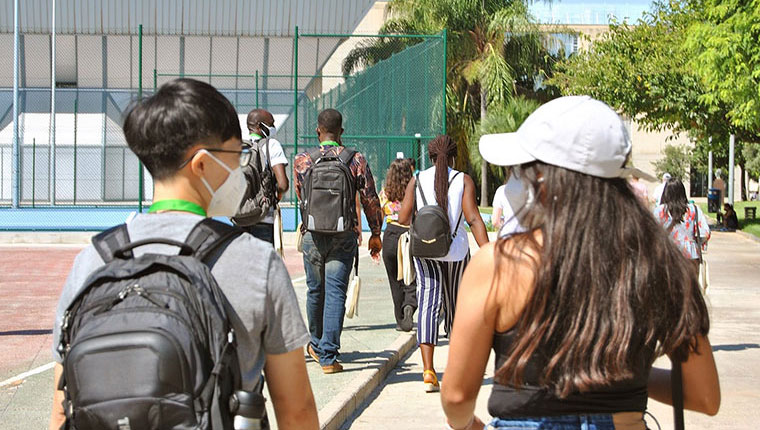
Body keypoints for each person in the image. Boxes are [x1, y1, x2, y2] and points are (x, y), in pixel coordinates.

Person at [48, 79, 319, 430]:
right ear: (202, 164)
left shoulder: (93, 261)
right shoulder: (255, 262)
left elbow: (62, 410)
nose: (239, 171)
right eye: (235, 157)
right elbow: (296, 410)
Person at [442, 96, 719, 430]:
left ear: (543, 180)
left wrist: (472, 426)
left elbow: (456, 397)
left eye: (521, 170)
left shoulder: (499, 263)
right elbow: (704, 395)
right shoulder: (659, 261)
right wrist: (624, 371)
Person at [293, 108, 383, 374]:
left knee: (314, 291)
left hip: (312, 234)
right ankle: (328, 357)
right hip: (343, 234)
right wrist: (375, 232)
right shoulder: (355, 159)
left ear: (317, 131)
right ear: (341, 131)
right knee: (335, 293)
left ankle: (316, 344)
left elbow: (301, 196)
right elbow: (369, 198)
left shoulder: (302, 160)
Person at [398, 135, 489, 392]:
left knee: (428, 305)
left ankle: (428, 371)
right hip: (456, 252)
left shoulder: (417, 180)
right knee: (458, 308)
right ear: (453, 157)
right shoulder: (463, 180)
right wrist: (489, 251)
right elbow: (473, 219)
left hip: (425, 252)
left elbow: (403, 217)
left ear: (430, 157)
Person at [240, 108, 290, 245]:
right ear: (259, 126)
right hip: (263, 218)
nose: (273, 127)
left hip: (240, 217)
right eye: (271, 123)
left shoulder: (239, 147)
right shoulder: (271, 145)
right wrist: (275, 198)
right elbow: (283, 185)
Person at [379, 158, 417, 332]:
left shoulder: (384, 193)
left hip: (390, 236)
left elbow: (379, 218)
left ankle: (401, 320)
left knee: (394, 279)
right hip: (409, 234)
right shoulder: (415, 192)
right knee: (412, 275)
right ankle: (410, 305)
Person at [654, 179, 711, 270]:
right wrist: (697, 242)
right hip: (691, 255)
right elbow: (705, 233)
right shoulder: (694, 209)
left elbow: (652, 233)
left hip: (667, 254)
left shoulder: (660, 211)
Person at [491, 172, 526, 237]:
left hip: (507, 236)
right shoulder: (532, 190)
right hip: (527, 237)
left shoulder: (501, 190)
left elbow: (495, 221)